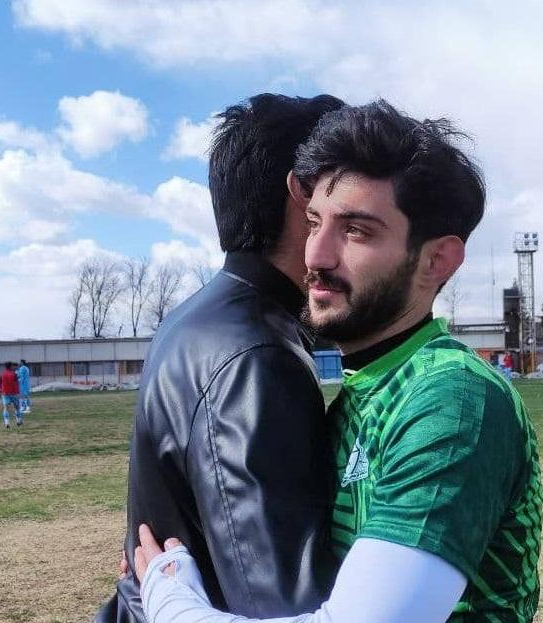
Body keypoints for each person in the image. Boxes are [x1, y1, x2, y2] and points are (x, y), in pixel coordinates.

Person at [134, 101, 543, 623]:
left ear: (437, 259)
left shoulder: (452, 397)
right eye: (313, 222)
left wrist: (168, 600)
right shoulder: (363, 391)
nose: (315, 255)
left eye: (355, 231)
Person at [93, 94, 346, 623]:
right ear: (302, 195)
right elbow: (279, 603)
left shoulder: (194, 319)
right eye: (342, 188)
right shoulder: (258, 356)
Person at [0, 362, 22, 430]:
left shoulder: (2, 374)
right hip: (14, 393)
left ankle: (7, 423)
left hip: (5, 393)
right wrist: (18, 393)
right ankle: (18, 421)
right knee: (17, 407)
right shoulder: (14, 374)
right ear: (10, 366)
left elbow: (0, 384)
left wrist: (2, 391)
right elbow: (16, 384)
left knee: (6, 408)